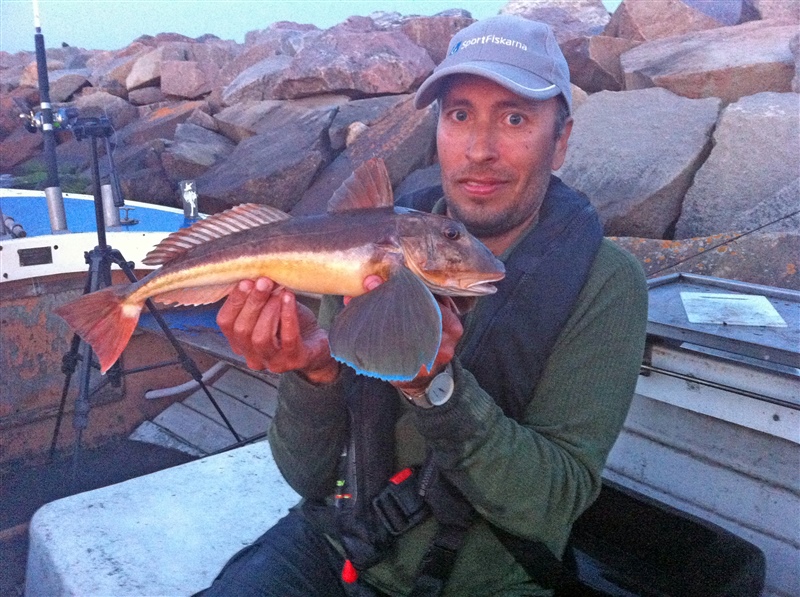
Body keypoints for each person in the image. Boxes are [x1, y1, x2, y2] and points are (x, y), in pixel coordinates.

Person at [199, 15, 648, 597]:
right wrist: (313, 371)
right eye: (459, 115)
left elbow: (551, 506)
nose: (479, 150)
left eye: (514, 118)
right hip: (335, 545)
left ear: (559, 141)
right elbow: (307, 477)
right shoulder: (373, 246)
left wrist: (439, 389)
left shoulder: (603, 282)